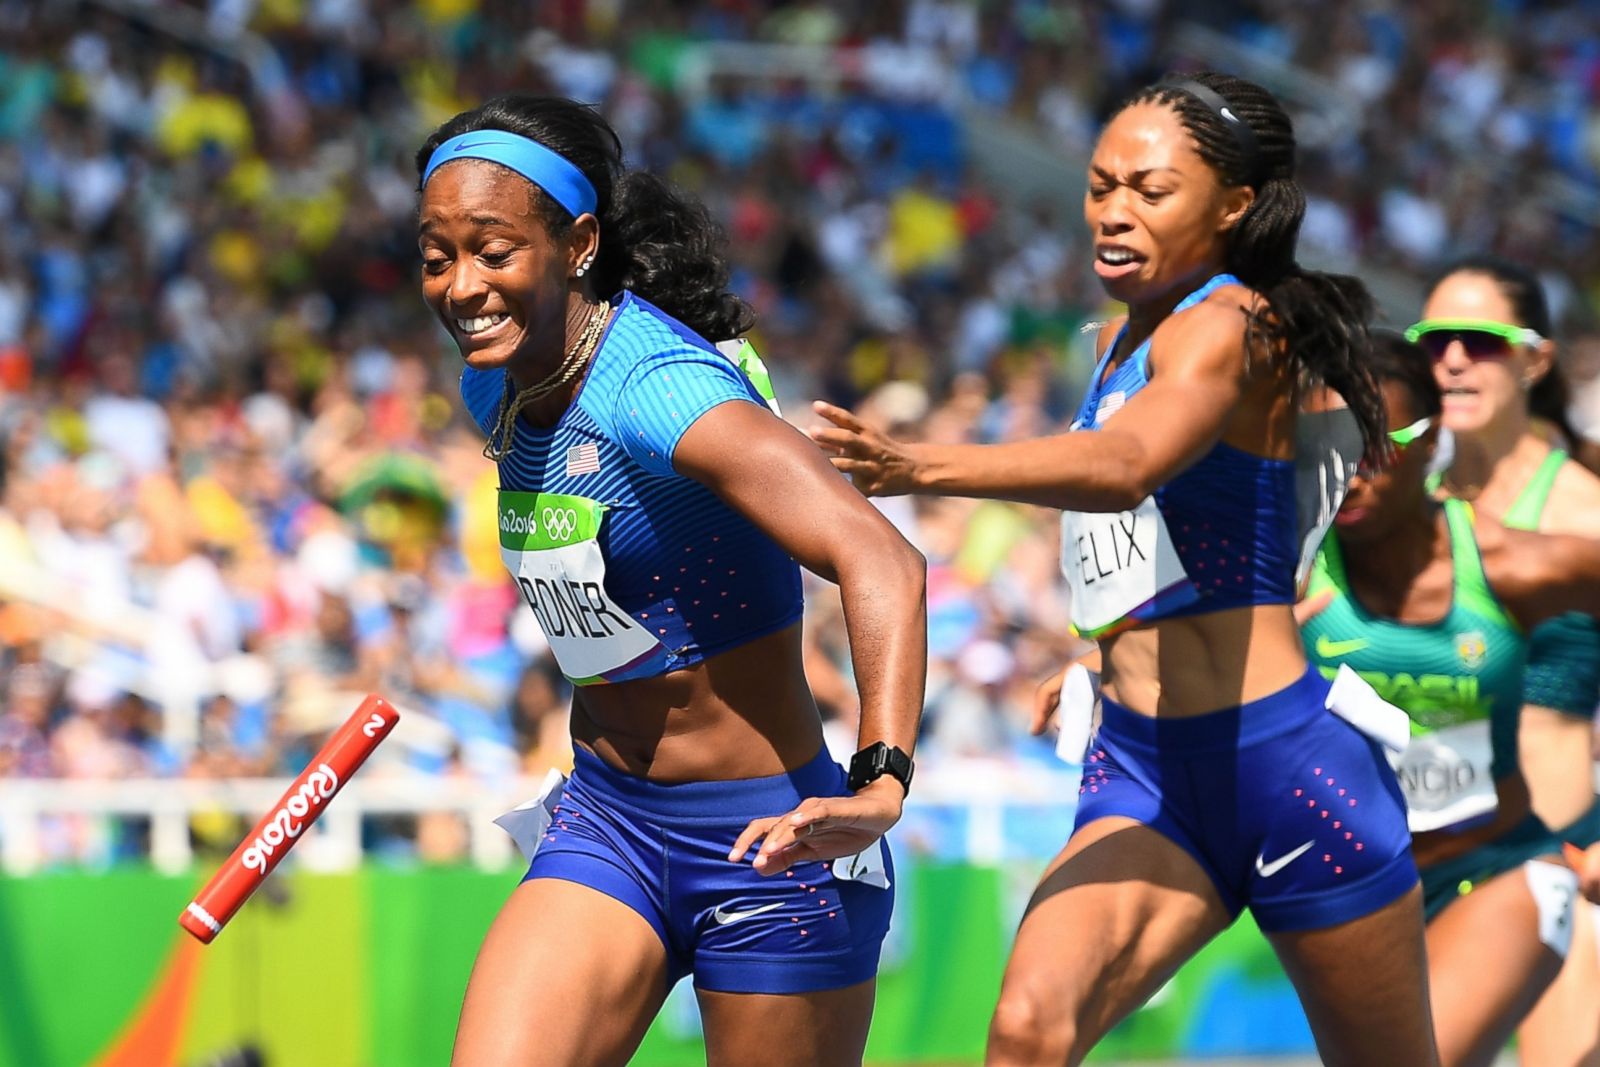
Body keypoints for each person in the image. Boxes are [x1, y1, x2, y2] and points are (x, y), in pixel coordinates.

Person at [812, 71, 1437, 1066]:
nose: (1112, 210)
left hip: (1284, 771)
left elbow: (1126, 466)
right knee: (1025, 1030)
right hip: (1146, 772)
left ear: (1234, 205)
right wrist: (1092, 657)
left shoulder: (1233, 322)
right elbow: (1153, 542)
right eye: (1102, 184)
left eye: (1150, 191)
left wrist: (918, 462)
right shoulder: (1118, 340)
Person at [416, 94, 927, 1067]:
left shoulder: (658, 387)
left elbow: (883, 556)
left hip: (774, 841)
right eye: (438, 255)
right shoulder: (495, 380)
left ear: (577, 243)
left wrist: (881, 780)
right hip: (609, 823)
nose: (461, 285)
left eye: (492, 249)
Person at [1301, 333, 1595, 1066]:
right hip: (1350, 897)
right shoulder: (1285, 573)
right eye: (1326, 444)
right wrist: (1095, 664)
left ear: (1430, 439)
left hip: (1500, 867)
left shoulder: (1518, 565)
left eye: (1375, 444)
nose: (1349, 471)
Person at [1412, 258, 1600, 1065]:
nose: (1453, 358)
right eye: (1434, 340)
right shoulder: (1388, 505)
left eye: (1481, 342)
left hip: (1556, 860)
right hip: (1406, 868)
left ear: (1535, 360)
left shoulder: (1585, 509)